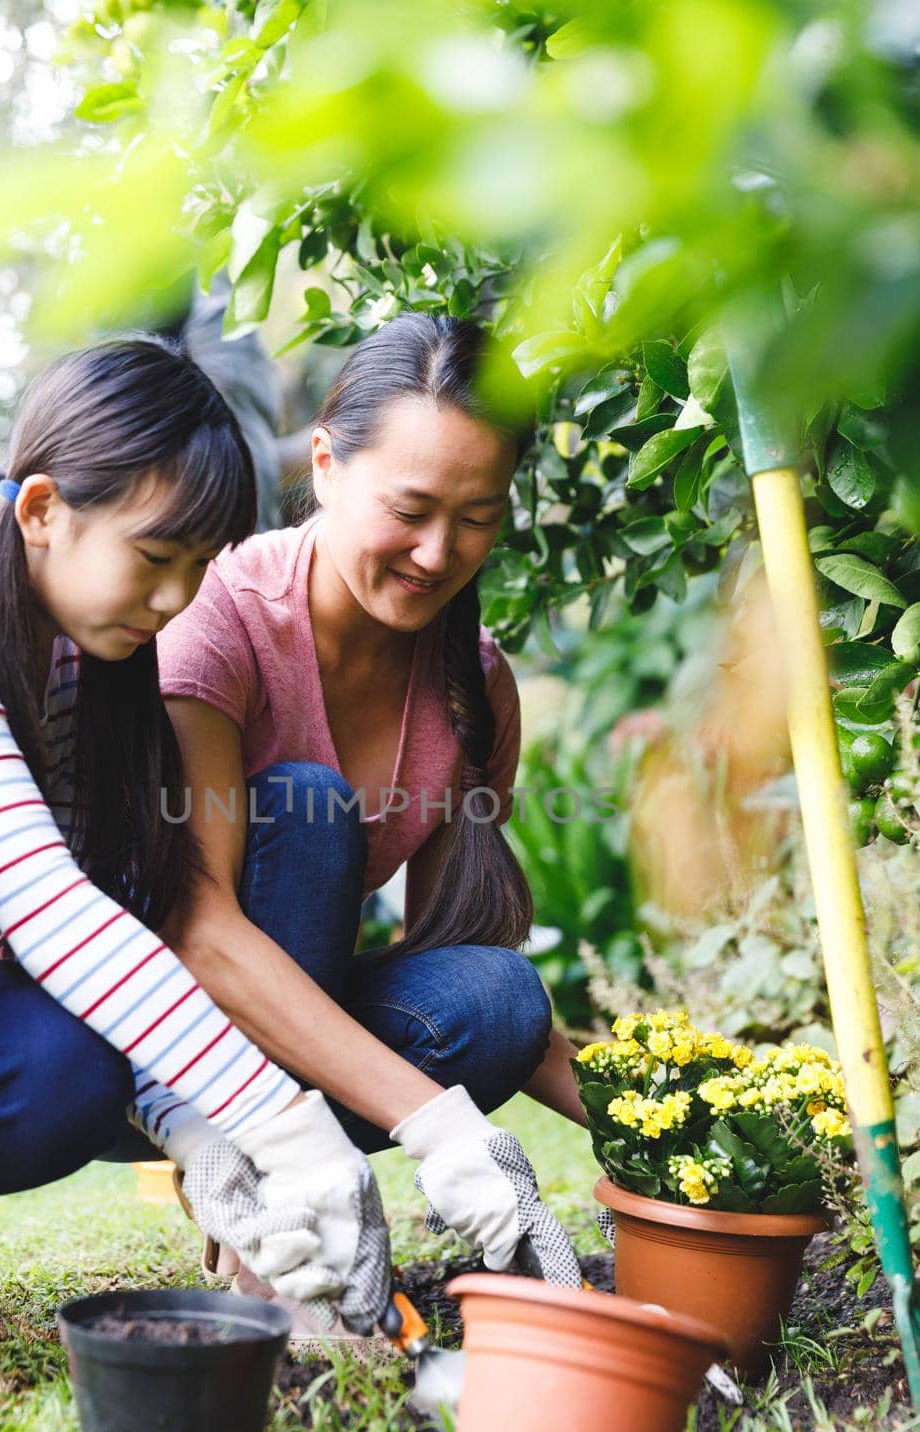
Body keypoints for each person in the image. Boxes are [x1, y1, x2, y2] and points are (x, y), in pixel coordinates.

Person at [0, 337, 400, 1430]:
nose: (176, 598)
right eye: (155, 556)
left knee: (62, 1068)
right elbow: (39, 892)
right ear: (44, 507)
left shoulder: (74, 660)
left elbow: (75, 951)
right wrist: (295, 1132)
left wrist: (206, 1139)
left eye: (200, 566)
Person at [134, 313, 588, 1305]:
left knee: (502, 996)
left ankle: (295, 1197)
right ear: (327, 466)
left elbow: (448, 948)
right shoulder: (222, 618)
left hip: (302, 1015)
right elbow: (199, 931)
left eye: (475, 516)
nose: (436, 552)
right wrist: (438, 1126)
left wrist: (660, 1124)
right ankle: (269, 1212)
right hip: (159, 1035)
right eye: (411, 506)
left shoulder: (473, 681)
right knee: (305, 806)